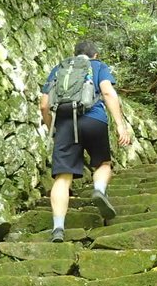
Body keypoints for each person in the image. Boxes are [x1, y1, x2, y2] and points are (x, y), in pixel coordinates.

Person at [39, 39, 132, 242]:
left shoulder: (59, 68)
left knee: (63, 177)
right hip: (94, 119)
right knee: (103, 163)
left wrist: (53, 129)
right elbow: (107, 92)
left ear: (75, 53)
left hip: (64, 125)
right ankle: (98, 190)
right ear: (95, 55)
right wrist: (120, 125)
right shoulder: (98, 66)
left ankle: (58, 228)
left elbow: (45, 105)